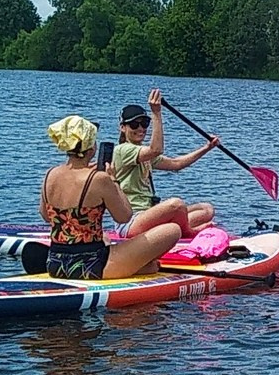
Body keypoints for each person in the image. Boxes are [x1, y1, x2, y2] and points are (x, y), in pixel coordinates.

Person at [40, 115, 182, 280]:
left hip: (56, 263)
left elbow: (45, 216)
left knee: (105, 238)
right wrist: (113, 180)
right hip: (92, 266)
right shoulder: (100, 178)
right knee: (172, 230)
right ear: (91, 147)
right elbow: (124, 216)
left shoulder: (50, 174)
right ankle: (141, 266)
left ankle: (140, 266)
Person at [109, 89, 219, 239]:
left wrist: (207, 148)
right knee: (177, 204)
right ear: (123, 128)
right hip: (130, 222)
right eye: (134, 124)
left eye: (144, 123)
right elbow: (156, 149)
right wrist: (156, 113)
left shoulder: (144, 154)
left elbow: (176, 164)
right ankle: (186, 232)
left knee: (206, 209)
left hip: (148, 215)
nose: (141, 128)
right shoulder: (123, 150)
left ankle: (176, 228)